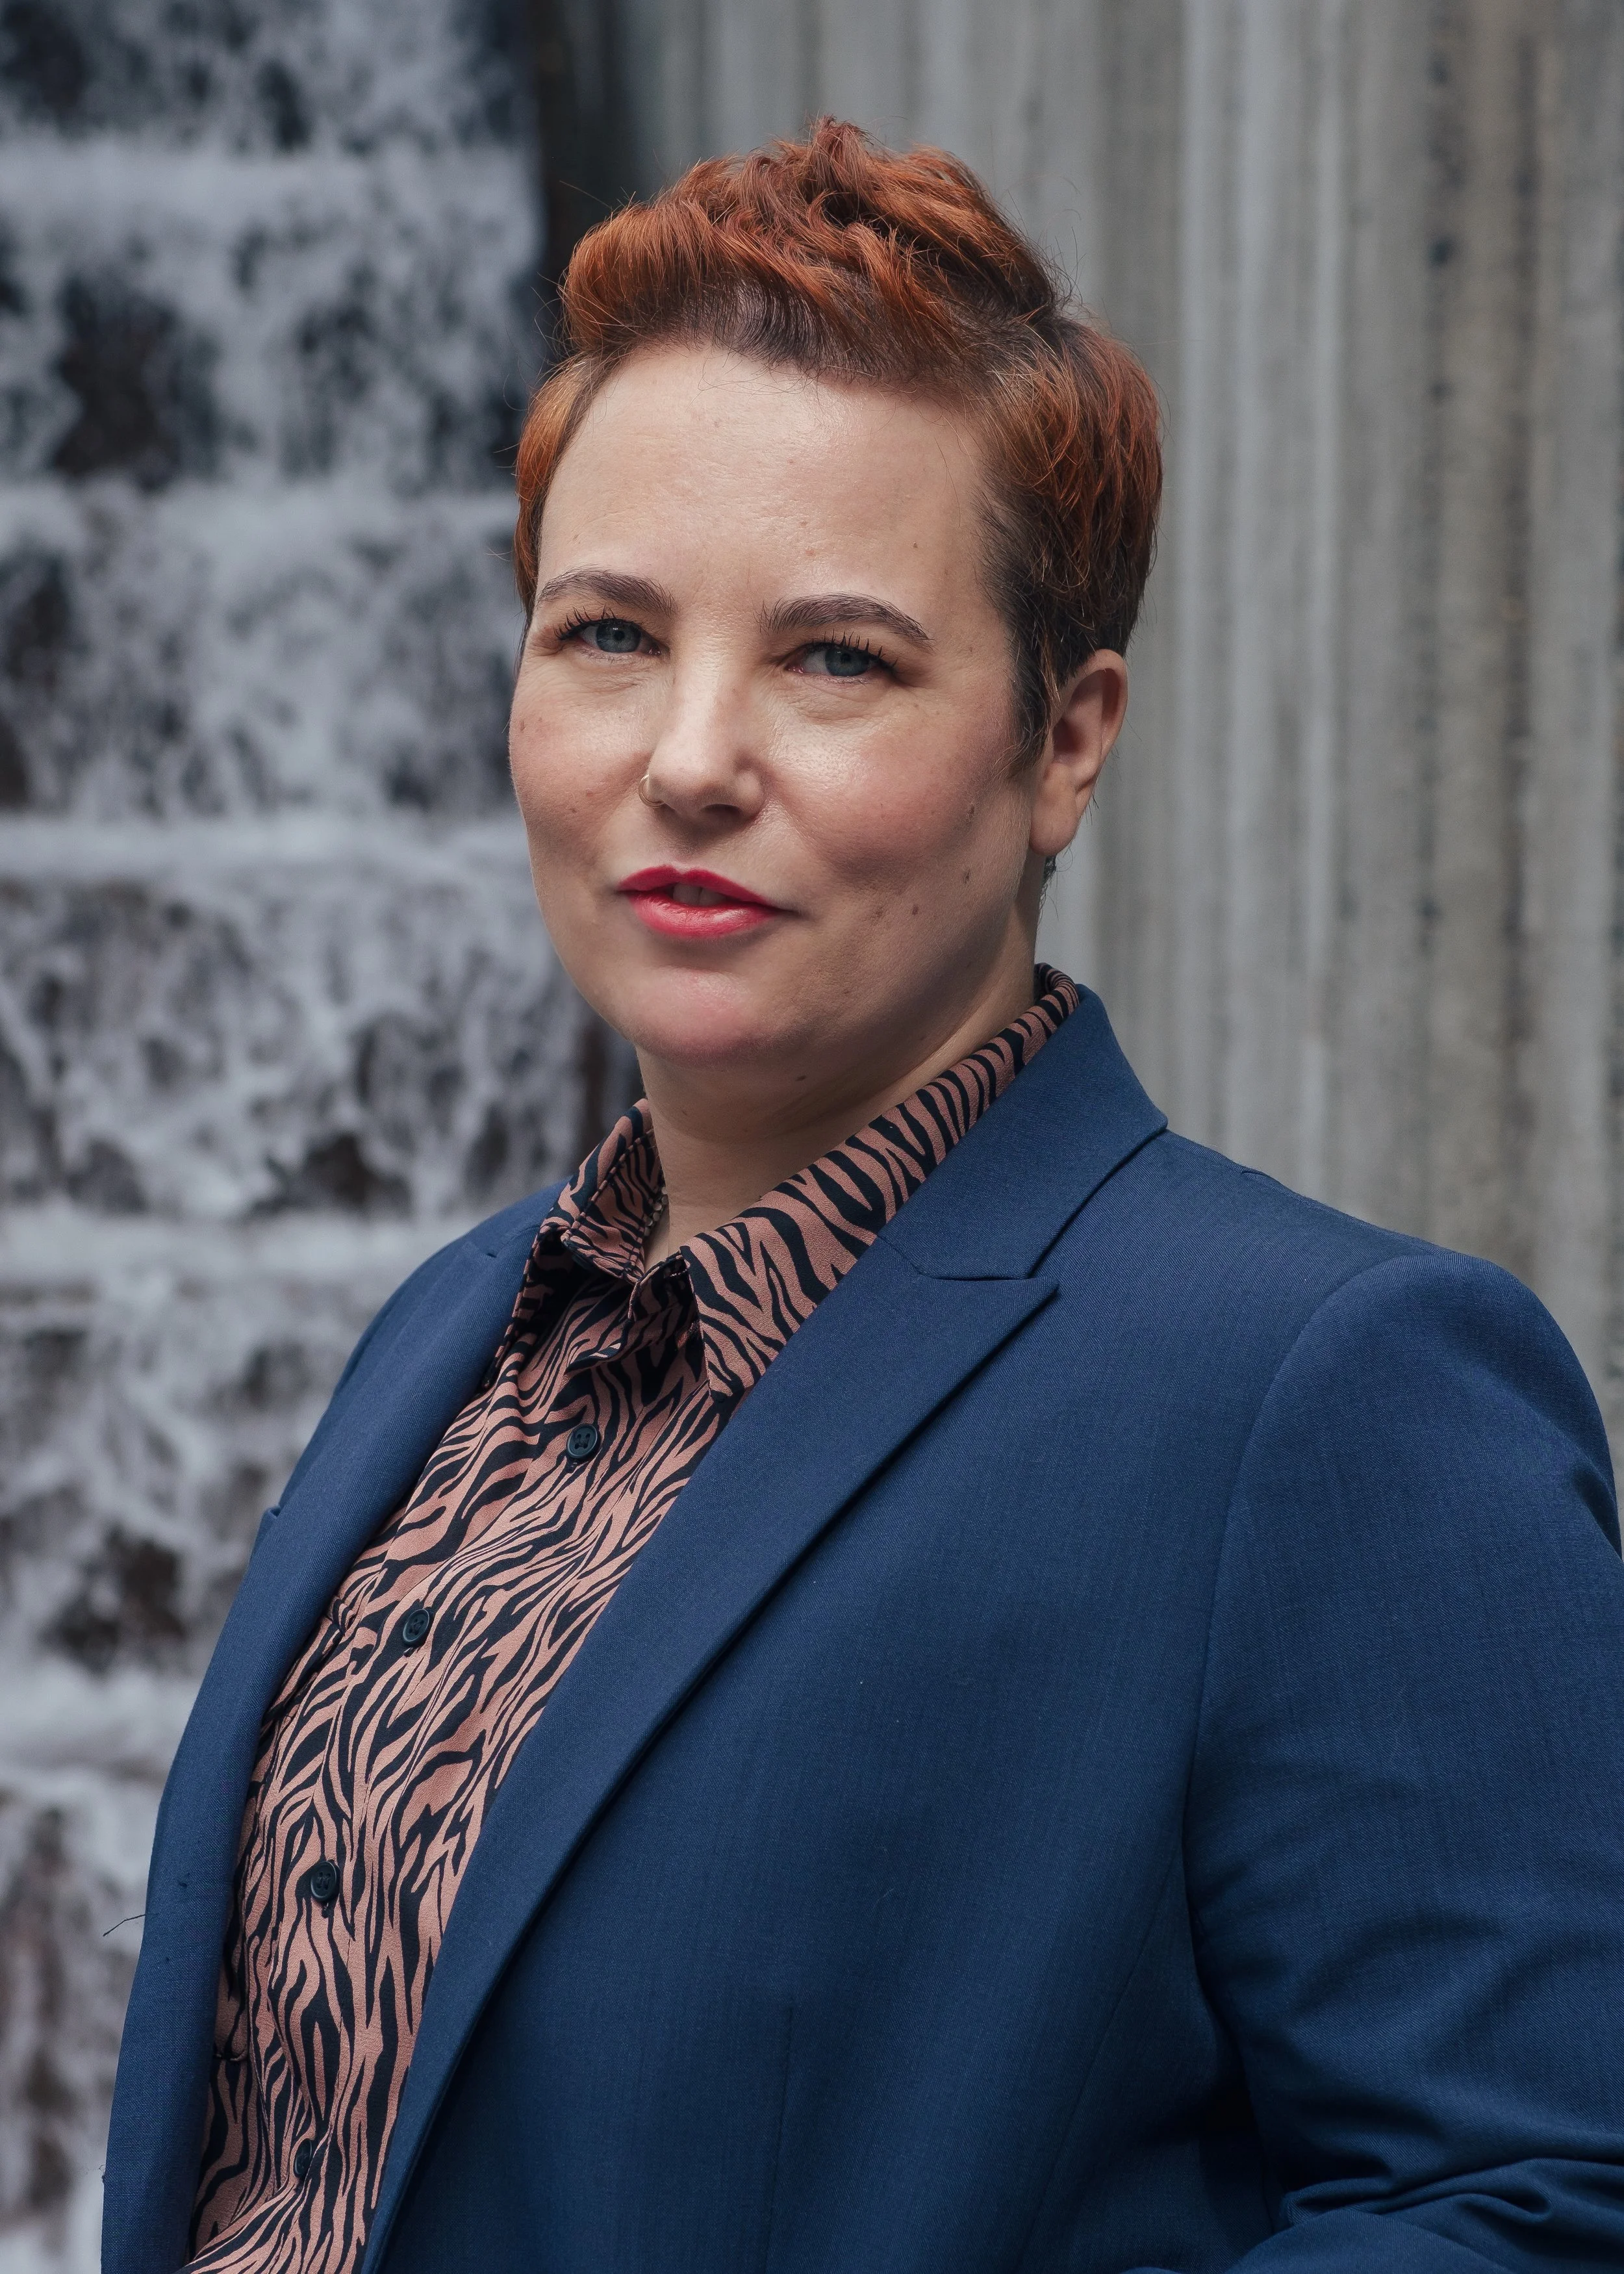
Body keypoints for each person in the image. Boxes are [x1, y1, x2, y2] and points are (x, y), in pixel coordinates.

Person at [106, 120, 1624, 2274]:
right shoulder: (457, 1332)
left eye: (835, 658)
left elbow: (1531, 2198)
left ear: (1064, 737)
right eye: (608, 631)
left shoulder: (1325, 1392)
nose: (691, 755)